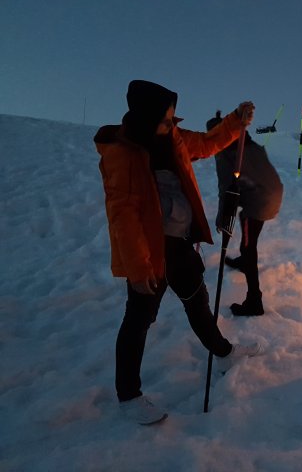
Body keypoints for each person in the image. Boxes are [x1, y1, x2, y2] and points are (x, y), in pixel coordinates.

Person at [94, 80, 262, 425]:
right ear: (145, 119)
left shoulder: (174, 140)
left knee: (198, 303)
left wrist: (235, 121)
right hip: (150, 252)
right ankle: (128, 397)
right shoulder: (122, 154)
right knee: (138, 320)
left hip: (181, 243)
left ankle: (224, 354)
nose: (173, 124)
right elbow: (122, 216)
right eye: (166, 119)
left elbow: (209, 142)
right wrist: (139, 271)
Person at [206, 112, 283, 316]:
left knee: (249, 247)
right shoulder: (249, 145)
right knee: (246, 226)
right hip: (270, 193)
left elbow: (226, 189)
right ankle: (244, 260)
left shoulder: (227, 153)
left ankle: (254, 301)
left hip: (260, 201)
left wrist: (222, 220)